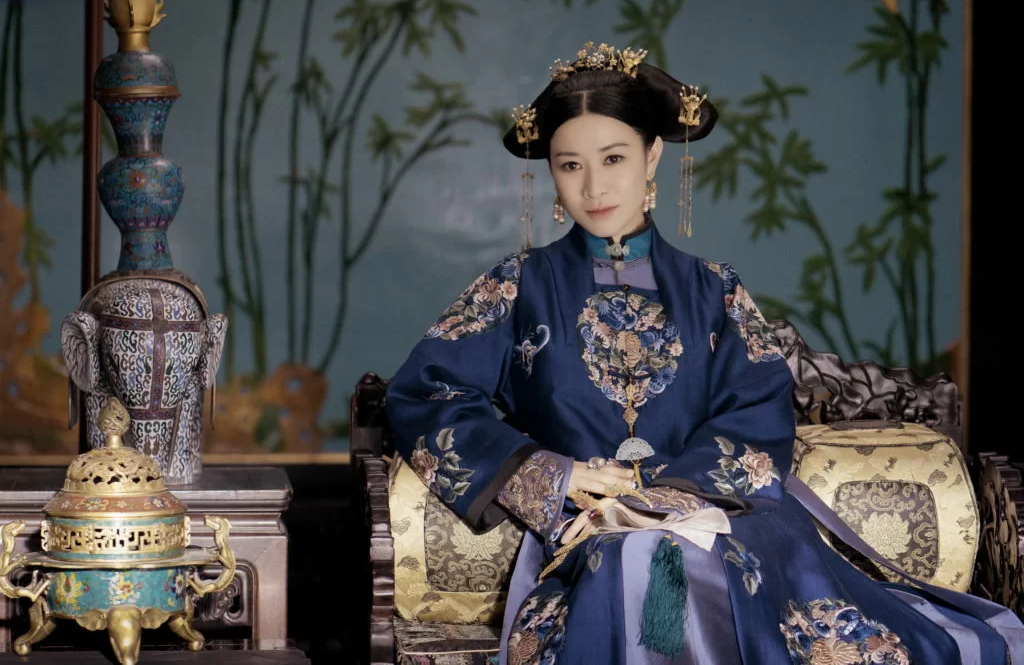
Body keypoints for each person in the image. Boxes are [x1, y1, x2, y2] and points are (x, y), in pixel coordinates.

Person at [385, 41, 1023, 664]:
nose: (594, 186)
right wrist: (555, 476)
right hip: (589, 532)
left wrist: (659, 503)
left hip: (724, 518)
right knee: (630, 560)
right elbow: (424, 392)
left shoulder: (716, 289)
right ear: (550, 173)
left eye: (614, 158)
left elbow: (756, 413)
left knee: (668, 556)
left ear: (653, 155)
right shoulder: (517, 287)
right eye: (570, 165)